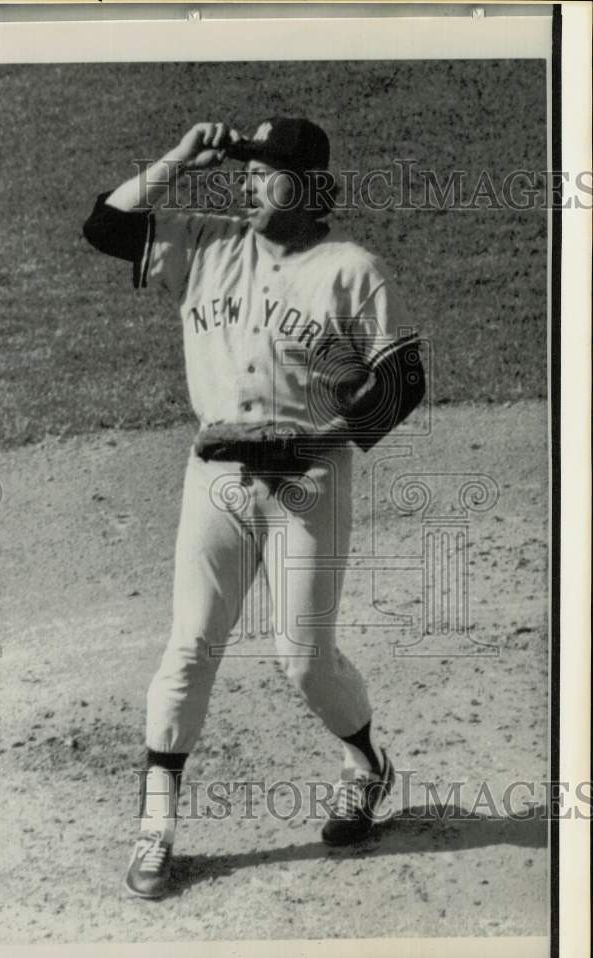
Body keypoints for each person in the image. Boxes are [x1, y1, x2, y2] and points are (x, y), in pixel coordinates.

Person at [83, 118, 425, 899]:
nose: (244, 181)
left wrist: (316, 445)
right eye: (243, 170)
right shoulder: (204, 243)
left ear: (305, 187)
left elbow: (402, 385)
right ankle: (156, 827)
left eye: (263, 170)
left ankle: (367, 764)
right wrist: (178, 156)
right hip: (216, 476)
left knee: (302, 657)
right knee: (190, 646)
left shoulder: (350, 269)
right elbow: (104, 224)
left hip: (308, 482)